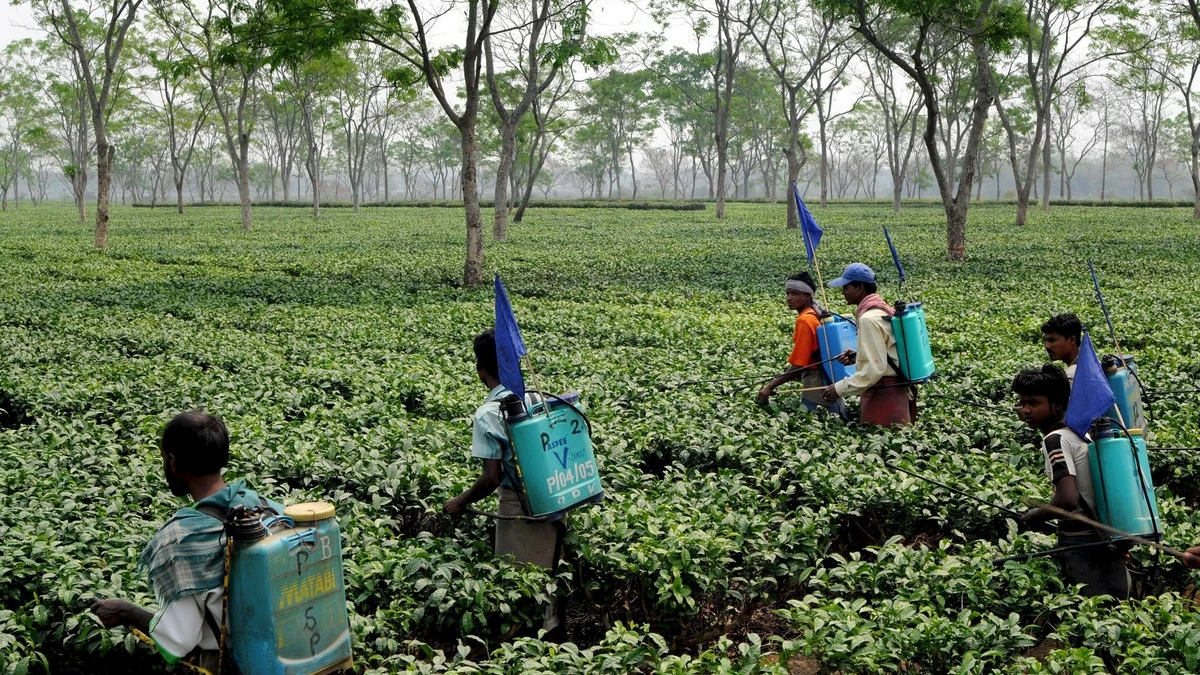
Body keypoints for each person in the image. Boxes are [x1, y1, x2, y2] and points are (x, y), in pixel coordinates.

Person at [91, 411, 282, 672]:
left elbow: (178, 640)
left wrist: (125, 611)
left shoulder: (183, 540)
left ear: (172, 463)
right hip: (299, 654)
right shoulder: (270, 509)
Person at [443, 328, 566, 636]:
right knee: (549, 580)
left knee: (517, 585)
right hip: (556, 495)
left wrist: (460, 502)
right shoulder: (535, 397)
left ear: (480, 368)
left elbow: (491, 478)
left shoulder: (488, 413)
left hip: (517, 507)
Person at [1013, 364, 1131, 599]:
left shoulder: (1055, 440)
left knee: (1094, 614)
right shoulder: (1080, 432)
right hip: (1104, 534)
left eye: (1034, 403)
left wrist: (1032, 517)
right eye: (1021, 403)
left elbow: (1068, 499)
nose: (1025, 410)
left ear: (1057, 404)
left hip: (1083, 540)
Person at [820, 263, 916, 426]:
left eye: (846, 287)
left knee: (881, 444)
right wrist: (859, 356)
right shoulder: (882, 310)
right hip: (897, 391)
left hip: (884, 395)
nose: (843, 292)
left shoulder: (868, 319)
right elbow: (887, 350)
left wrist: (839, 389)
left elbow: (873, 370)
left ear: (860, 288)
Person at [757, 272, 847, 418]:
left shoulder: (805, 321)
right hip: (828, 379)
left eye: (794, 293)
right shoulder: (813, 315)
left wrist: (769, 387)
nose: (789, 298)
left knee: (817, 425)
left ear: (807, 296)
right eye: (787, 293)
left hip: (816, 383)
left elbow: (799, 365)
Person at [1042, 314, 1082, 385]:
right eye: (1046, 341)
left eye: (1052, 340)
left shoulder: (1072, 376)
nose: (1047, 346)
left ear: (1072, 340)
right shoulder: (1090, 363)